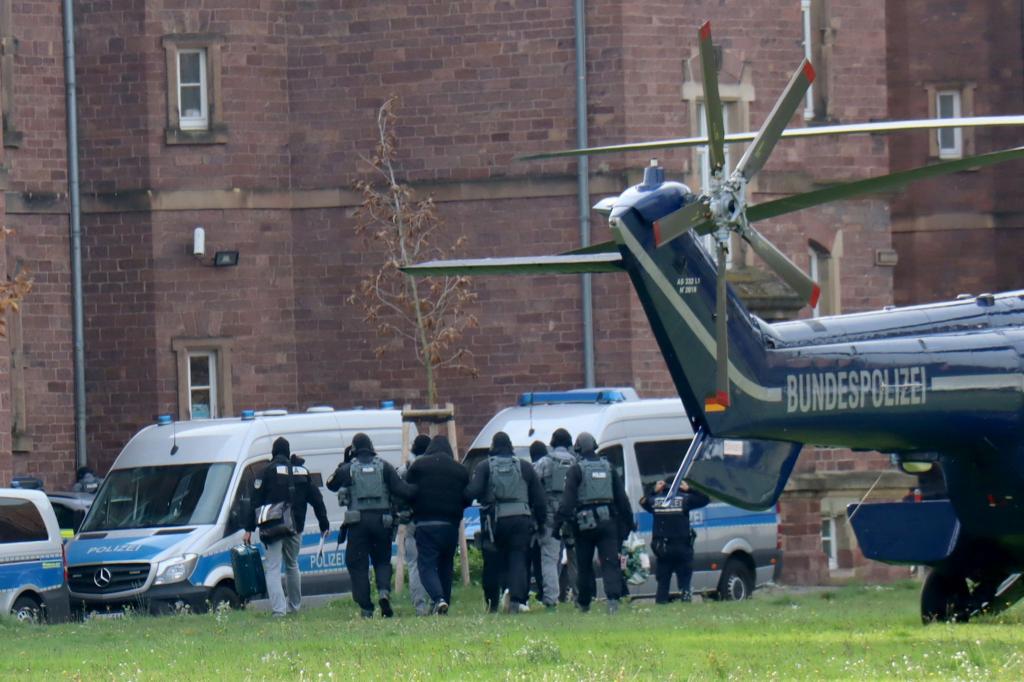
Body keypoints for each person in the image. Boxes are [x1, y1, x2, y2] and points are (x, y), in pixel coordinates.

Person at [326, 433, 414, 618]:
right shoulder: (384, 467)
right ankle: (383, 592)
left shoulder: (349, 468)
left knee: (357, 564)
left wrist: (344, 462)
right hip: (382, 521)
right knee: (382, 560)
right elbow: (402, 490)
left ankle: (366, 607)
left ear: (354, 449)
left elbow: (331, 485)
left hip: (357, 523)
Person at [243, 437, 330, 617]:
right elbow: (317, 499)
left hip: (273, 528)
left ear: (273, 453)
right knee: (292, 565)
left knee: (273, 567)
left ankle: (279, 610)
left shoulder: (265, 472)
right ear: (288, 452)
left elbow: (254, 502)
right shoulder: (302, 472)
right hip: (295, 527)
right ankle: (294, 607)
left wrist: (248, 529)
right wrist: (324, 523)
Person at [464, 431, 546, 614]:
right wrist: (540, 523)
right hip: (521, 519)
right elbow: (539, 499)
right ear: (511, 447)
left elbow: (473, 491)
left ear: (493, 447)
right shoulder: (525, 467)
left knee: (492, 561)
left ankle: (492, 602)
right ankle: (516, 600)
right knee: (518, 558)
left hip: (494, 521)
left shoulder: (485, 466)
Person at [556, 432, 633, 614]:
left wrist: (557, 525)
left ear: (578, 449)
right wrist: (628, 524)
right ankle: (613, 601)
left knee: (584, 565)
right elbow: (622, 499)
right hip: (608, 522)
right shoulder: (609, 468)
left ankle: (584, 603)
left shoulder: (576, 470)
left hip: (584, 525)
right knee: (610, 563)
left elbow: (567, 502)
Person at [405, 434, 470, 615]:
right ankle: (444, 604)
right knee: (446, 565)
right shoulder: (460, 470)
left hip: (426, 523)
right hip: (450, 525)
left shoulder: (419, 466)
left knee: (426, 565)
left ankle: (438, 598)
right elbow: (467, 496)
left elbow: (408, 490)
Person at [640, 478, 709, 603]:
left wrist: (654, 491)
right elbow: (705, 499)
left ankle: (661, 606)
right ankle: (685, 603)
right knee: (685, 583)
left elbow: (643, 502)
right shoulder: (685, 499)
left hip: (663, 550)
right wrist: (689, 489)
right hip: (683, 548)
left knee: (663, 584)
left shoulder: (656, 501)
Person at [531, 432, 576, 610]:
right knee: (575, 558)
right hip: (572, 515)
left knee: (550, 559)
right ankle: (581, 598)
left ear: (552, 443)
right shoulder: (576, 462)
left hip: (550, 517)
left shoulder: (545, 462)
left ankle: (551, 601)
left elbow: (531, 483)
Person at [398, 434, 433, 616]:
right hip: (433, 519)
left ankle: (420, 606)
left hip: (412, 521)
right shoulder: (435, 468)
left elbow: (397, 487)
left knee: (414, 564)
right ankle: (437, 599)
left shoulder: (406, 469)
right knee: (432, 563)